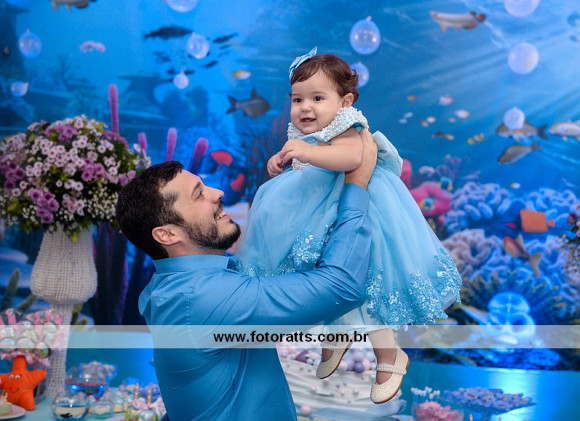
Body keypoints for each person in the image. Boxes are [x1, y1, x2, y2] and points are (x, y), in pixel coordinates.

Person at [236, 47, 463, 404]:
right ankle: (337, 334)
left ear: (345, 102)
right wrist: (280, 159)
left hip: (362, 212)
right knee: (324, 277)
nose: (305, 107)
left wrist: (307, 152)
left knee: (368, 283)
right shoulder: (309, 132)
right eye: (297, 99)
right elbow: (305, 160)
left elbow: (350, 157)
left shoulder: (348, 126)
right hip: (319, 212)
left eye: (317, 98)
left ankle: (390, 355)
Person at [115, 130, 378, 421]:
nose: (218, 193)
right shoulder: (201, 297)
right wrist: (356, 184)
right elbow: (342, 286)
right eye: (198, 194)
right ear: (167, 234)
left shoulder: (180, 287)